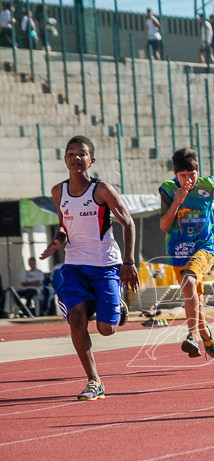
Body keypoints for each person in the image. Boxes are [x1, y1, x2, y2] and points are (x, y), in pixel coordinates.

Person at [39, 135, 140, 400]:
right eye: (71, 154)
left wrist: (128, 263)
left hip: (105, 264)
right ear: (65, 159)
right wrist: (56, 242)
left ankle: (114, 302)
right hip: (74, 266)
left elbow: (128, 223)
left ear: (91, 160)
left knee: (107, 328)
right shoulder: (57, 192)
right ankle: (94, 380)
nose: (76, 158)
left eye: (81, 154)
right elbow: (65, 225)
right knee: (77, 320)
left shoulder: (102, 190)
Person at [159, 148, 214, 360]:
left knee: (189, 281)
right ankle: (207, 337)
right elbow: (164, 225)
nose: (188, 180)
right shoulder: (168, 189)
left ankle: (191, 336)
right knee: (195, 298)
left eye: (192, 175)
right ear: (175, 173)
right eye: (183, 176)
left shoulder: (206, 184)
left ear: (198, 171)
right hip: (178, 250)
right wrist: (177, 201)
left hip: (204, 247)